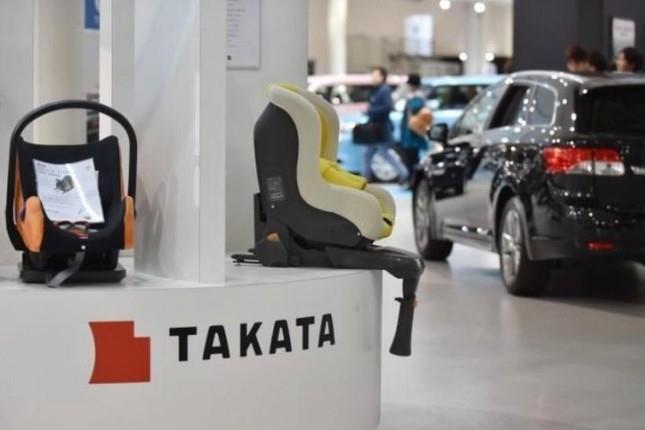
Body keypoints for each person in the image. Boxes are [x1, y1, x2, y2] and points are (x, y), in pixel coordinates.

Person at [362, 67, 408, 183]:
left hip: (381, 128)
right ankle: (365, 178)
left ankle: (403, 173)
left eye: (375, 75)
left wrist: (371, 111)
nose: (373, 78)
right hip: (374, 128)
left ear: (382, 77)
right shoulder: (377, 90)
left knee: (383, 152)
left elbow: (387, 107)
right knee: (368, 153)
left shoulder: (384, 90)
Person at [399, 73, 430, 179]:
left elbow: (414, 111)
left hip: (413, 133)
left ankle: (413, 179)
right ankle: (412, 178)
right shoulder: (413, 97)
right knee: (410, 158)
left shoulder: (417, 98)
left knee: (412, 158)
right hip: (410, 132)